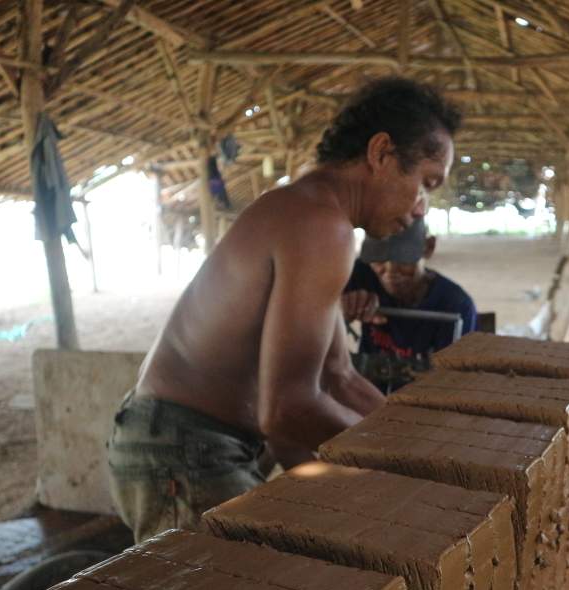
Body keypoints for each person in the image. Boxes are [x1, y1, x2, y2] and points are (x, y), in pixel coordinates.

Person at [107, 78, 461, 542]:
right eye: (426, 183)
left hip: (182, 440)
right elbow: (287, 409)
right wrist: (397, 464)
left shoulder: (315, 215)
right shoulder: (319, 225)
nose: (421, 208)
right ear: (380, 153)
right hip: (183, 450)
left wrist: (415, 439)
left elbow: (340, 376)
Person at [342, 217, 477, 361]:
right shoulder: (362, 273)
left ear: (428, 247)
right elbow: (318, 317)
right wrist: (339, 311)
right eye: (379, 258)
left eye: (403, 259)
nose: (390, 271)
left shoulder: (457, 305)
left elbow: (452, 377)